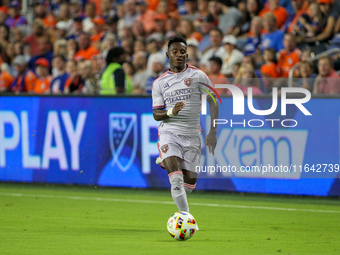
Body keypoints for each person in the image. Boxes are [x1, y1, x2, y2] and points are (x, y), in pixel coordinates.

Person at [152, 35, 218, 214]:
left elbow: (214, 101)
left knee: (188, 187)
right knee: (176, 181)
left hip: (192, 135)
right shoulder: (160, 83)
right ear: (168, 54)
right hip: (170, 133)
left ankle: (166, 159)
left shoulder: (198, 76)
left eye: (182, 51)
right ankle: (186, 219)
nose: (179, 55)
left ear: (187, 55)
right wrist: (171, 112)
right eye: (175, 52)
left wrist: (213, 131)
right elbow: (156, 114)